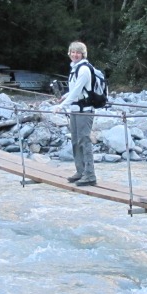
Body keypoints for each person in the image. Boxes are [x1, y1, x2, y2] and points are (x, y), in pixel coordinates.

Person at [52, 41, 97, 186]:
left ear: (83, 54)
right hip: (75, 110)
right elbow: (74, 90)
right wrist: (64, 97)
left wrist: (61, 106)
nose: (75, 55)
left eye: (78, 52)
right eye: (73, 52)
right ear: (69, 53)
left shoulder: (84, 69)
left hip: (85, 111)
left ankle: (90, 175)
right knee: (75, 141)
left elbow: (77, 91)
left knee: (84, 141)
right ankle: (80, 171)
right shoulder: (75, 68)